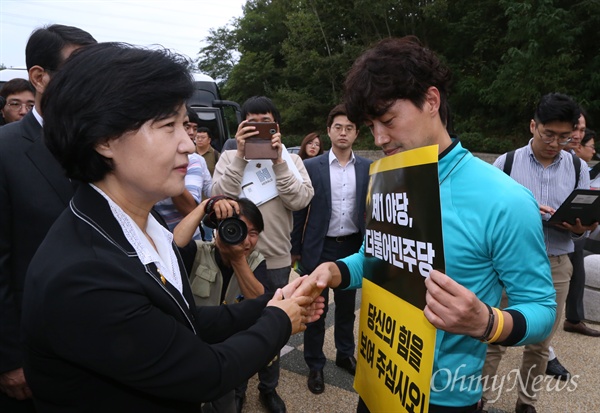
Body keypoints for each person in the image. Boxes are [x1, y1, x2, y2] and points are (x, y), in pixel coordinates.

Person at [21, 42, 323, 413]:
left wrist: (270, 302)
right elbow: (206, 373)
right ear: (103, 139)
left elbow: (184, 317)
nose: (188, 145)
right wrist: (280, 319)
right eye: (168, 126)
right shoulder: (85, 274)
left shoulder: (143, 225)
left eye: (185, 124)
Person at [295, 36, 556, 413]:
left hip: (443, 397)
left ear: (431, 101)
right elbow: (377, 257)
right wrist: (333, 272)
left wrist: (487, 322)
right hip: (378, 375)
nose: (380, 139)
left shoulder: (506, 200)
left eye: (387, 120)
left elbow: (543, 309)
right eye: (371, 126)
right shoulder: (388, 177)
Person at [0, 24, 97, 413]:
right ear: (39, 77)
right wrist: (9, 358)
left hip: (105, 347)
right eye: (80, 68)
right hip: (34, 353)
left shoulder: (105, 144)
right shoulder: (5, 151)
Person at [483, 92, 598, 413]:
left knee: (540, 343)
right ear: (533, 126)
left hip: (558, 263)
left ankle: (526, 402)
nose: (555, 142)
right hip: (508, 264)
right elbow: (486, 216)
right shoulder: (504, 164)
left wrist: (582, 226)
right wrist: (524, 212)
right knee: (494, 336)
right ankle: (476, 398)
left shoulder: (577, 167)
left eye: (565, 137)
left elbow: (585, 215)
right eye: (548, 134)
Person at [212, 96, 314, 413]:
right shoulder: (229, 157)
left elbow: (300, 200)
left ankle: (268, 388)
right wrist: (242, 157)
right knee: (238, 327)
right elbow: (216, 196)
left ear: (276, 127)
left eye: (265, 123)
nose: (258, 131)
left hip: (277, 259)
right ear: (241, 126)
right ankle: (238, 388)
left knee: (277, 326)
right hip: (236, 257)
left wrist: (279, 161)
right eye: (251, 123)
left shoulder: (291, 160)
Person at [291, 104, 371, 395]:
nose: (343, 132)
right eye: (338, 127)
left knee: (348, 307)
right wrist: (295, 248)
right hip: (319, 246)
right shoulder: (311, 166)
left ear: (356, 134)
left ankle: (344, 353)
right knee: (315, 309)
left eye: (349, 128)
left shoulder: (366, 167)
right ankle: (315, 364)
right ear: (328, 130)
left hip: (352, 245)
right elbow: (300, 210)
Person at [174, 196, 268, 412]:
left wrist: (238, 260)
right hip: (191, 347)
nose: (244, 239)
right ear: (219, 229)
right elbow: (172, 246)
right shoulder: (197, 251)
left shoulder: (256, 261)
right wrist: (205, 205)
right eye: (237, 228)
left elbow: (261, 303)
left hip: (227, 353)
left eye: (252, 233)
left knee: (225, 405)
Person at [154, 110, 212, 238]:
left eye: (194, 128)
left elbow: (190, 210)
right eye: (187, 126)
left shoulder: (194, 160)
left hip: (187, 240)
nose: (191, 132)